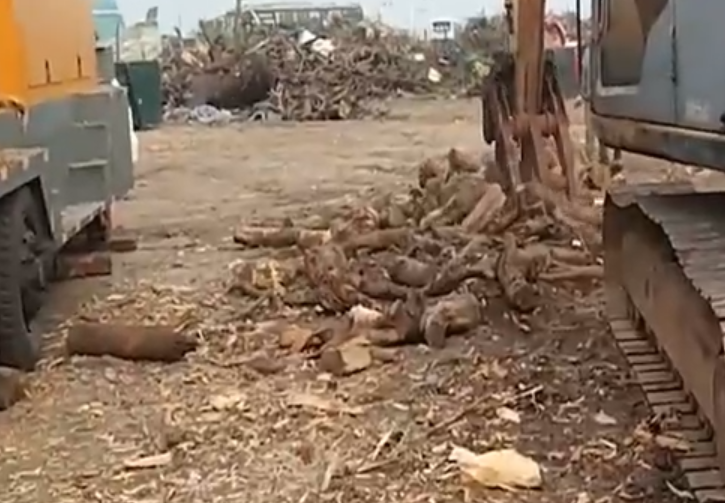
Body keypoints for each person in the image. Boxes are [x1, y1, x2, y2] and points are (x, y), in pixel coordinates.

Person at [581, 44, 622, 168]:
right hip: (603, 93)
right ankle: (607, 156)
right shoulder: (599, 51)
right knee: (604, 125)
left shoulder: (589, 53)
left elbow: (585, 75)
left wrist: (584, 93)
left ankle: (604, 157)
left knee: (599, 126)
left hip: (597, 94)